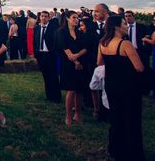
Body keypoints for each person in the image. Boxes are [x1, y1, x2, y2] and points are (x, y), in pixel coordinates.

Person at [98, 15, 145, 161]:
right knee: (131, 120)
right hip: (128, 87)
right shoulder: (125, 44)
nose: (126, 25)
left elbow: (99, 63)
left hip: (112, 86)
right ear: (117, 26)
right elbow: (139, 68)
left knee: (116, 118)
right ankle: (132, 153)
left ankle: (116, 150)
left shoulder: (102, 43)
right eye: (124, 23)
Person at [56, 10, 87, 125]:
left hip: (81, 62)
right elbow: (65, 49)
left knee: (79, 90)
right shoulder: (62, 32)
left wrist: (78, 56)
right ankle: (68, 115)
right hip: (68, 64)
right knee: (71, 90)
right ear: (67, 19)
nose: (76, 20)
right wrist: (75, 62)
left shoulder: (80, 33)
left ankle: (78, 113)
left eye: (77, 18)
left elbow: (85, 47)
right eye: (74, 17)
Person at [33, 11, 61, 103]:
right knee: (45, 75)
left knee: (53, 75)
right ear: (40, 17)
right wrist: (36, 54)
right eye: (42, 16)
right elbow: (35, 41)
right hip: (41, 55)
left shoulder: (53, 28)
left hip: (50, 54)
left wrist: (54, 52)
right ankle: (49, 95)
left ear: (49, 18)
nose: (43, 18)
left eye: (45, 16)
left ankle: (56, 96)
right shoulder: (37, 28)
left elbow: (56, 41)